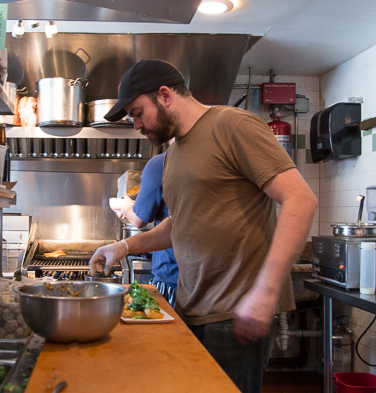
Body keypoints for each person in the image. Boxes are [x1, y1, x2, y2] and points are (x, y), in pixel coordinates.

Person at [89, 59, 317, 393]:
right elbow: (181, 224)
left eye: (138, 112)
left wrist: (266, 292)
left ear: (165, 95)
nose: (136, 124)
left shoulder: (233, 125)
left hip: (235, 311)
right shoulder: (174, 154)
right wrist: (123, 247)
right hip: (191, 308)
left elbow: (301, 199)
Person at [111, 144, 178, 307]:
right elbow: (176, 222)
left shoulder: (160, 164)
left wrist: (127, 207)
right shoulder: (206, 163)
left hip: (171, 276)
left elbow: (139, 219)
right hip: (210, 286)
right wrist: (124, 247)